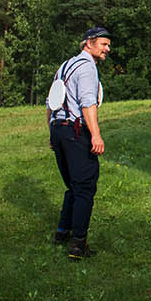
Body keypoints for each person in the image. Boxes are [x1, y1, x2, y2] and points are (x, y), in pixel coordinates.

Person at [48, 26, 111, 260]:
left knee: (73, 185)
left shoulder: (65, 66)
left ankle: (62, 232)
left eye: (108, 45)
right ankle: (78, 244)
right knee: (85, 186)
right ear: (88, 43)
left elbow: (51, 102)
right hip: (75, 131)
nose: (107, 49)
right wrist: (95, 134)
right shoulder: (87, 68)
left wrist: (51, 134)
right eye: (104, 44)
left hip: (58, 129)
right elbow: (87, 104)